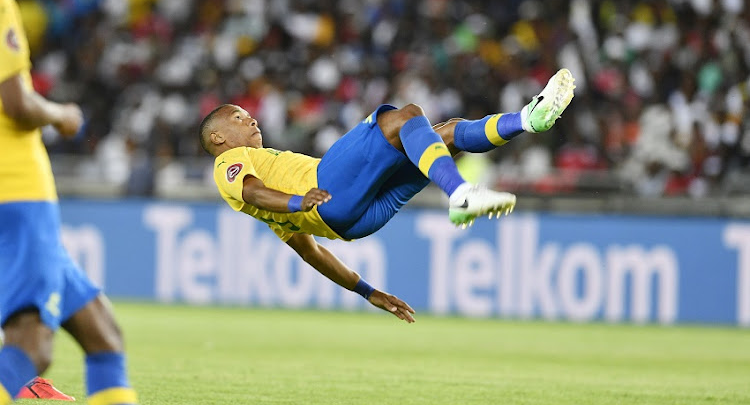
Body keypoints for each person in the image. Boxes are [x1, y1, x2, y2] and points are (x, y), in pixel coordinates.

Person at [200, 68, 575, 323]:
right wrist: (301, 200)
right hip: (328, 189)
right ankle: (460, 192)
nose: (251, 119)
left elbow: (310, 251)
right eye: (238, 118)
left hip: (354, 221)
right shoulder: (230, 163)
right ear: (217, 138)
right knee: (402, 116)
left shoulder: (271, 184)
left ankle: (528, 119)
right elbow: (254, 193)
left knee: (444, 133)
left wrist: (368, 292)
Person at [0, 0, 138, 405]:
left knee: (101, 331)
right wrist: (63, 115)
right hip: (17, 192)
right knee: (33, 342)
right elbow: (16, 103)